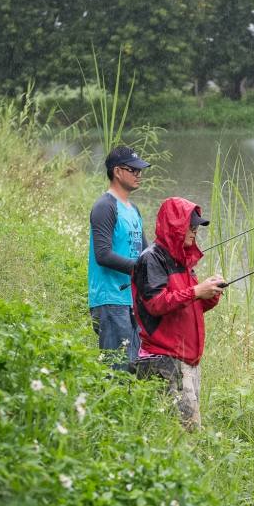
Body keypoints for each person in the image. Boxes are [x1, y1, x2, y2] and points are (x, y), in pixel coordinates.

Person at [132, 197, 224, 429]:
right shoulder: (151, 259)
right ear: (176, 227)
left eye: (196, 228)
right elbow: (156, 304)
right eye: (190, 227)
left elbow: (192, 305)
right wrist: (195, 291)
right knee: (183, 433)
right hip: (167, 359)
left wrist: (210, 293)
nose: (194, 233)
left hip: (188, 360)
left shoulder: (182, 260)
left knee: (186, 431)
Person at [88, 144, 150, 368]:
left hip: (131, 301)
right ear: (117, 171)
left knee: (133, 368)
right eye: (133, 170)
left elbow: (145, 253)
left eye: (140, 170)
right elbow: (102, 254)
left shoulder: (133, 209)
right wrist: (139, 269)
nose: (138, 175)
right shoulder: (105, 206)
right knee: (117, 372)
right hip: (110, 300)